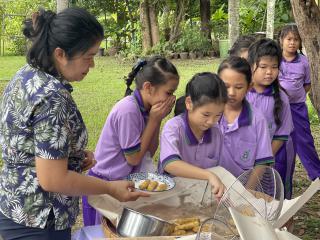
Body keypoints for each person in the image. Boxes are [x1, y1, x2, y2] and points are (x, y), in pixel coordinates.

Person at [0, 8, 148, 240]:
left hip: (15, 206)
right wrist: (110, 189)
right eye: (88, 57)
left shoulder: (26, 75)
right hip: (40, 219)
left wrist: (72, 156)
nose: (92, 66)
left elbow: (29, 144)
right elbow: (53, 179)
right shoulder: (52, 97)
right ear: (60, 54)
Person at [82, 56, 179, 226]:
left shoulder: (147, 109)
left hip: (121, 185)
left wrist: (156, 120)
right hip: (103, 188)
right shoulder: (128, 110)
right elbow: (133, 158)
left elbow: (149, 151)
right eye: (169, 93)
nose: (172, 98)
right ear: (148, 87)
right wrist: (154, 120)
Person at [158, 72, 227, 198]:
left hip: (200, 196)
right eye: (206, 115)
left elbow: (218, 168)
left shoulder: (216, 133)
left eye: (218, 115)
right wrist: (208, 175)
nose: (211, 121)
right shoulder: (173, 128)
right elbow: (170, 164)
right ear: (189, 103)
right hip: (169, 196)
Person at [246, 38, 294, 198]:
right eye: (263, 67)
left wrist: (265, 157)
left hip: (273, 156)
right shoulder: (242, 94)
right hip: (244, 156)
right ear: (251, 65)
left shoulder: (281, 98)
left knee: (273, 198)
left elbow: (281, 135)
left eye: (274, 67)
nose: (269, 72)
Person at [217, 56, 273, 177]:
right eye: (226, 86)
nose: (231, 93)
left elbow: (262, 162)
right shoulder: (208, 116)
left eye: (238, 87)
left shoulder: (257, 119)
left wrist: (247, 190)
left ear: (249, 87)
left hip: (244, 187)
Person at [278, 24, 320, 182]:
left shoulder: (304, 62)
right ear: (281, 40)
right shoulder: (275, 59)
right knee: (280, 142)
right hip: (278, 108)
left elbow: (307, 84)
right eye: (289, 39)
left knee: (304, 140)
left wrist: (298, 95)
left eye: (296, 39)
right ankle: (278, 176)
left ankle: (316, 174)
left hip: (297, 108)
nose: (292, 42)